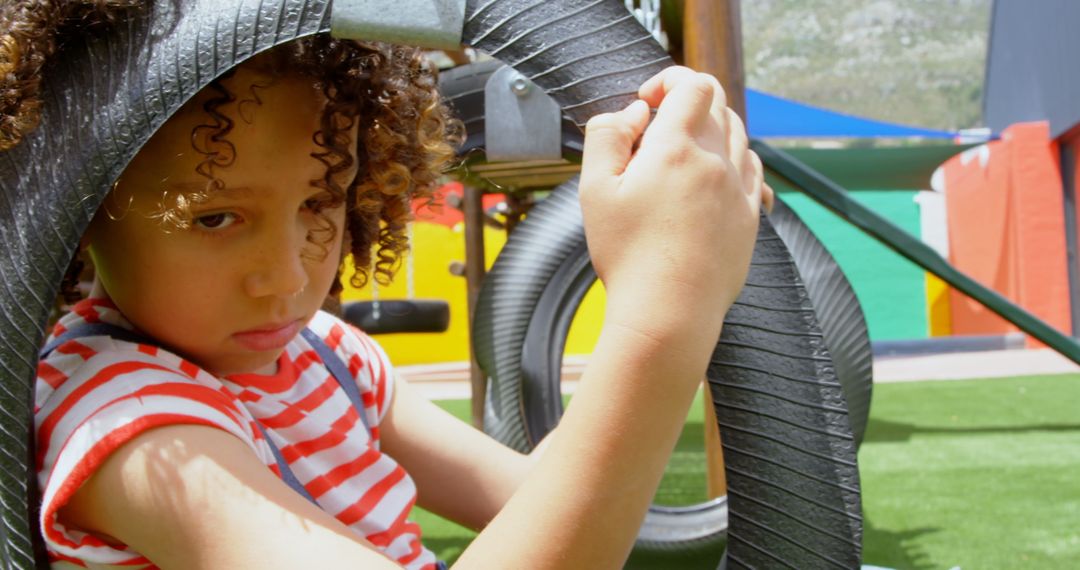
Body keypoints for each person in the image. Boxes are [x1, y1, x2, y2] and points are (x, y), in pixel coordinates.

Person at [5, 2, 772, 568]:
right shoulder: (126, 419)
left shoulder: (326, 355)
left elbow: (542, 502)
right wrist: (661, 317)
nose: (289, 274)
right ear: (85, 211)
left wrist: (688, 253)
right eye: (214, 219)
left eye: (317, 203)